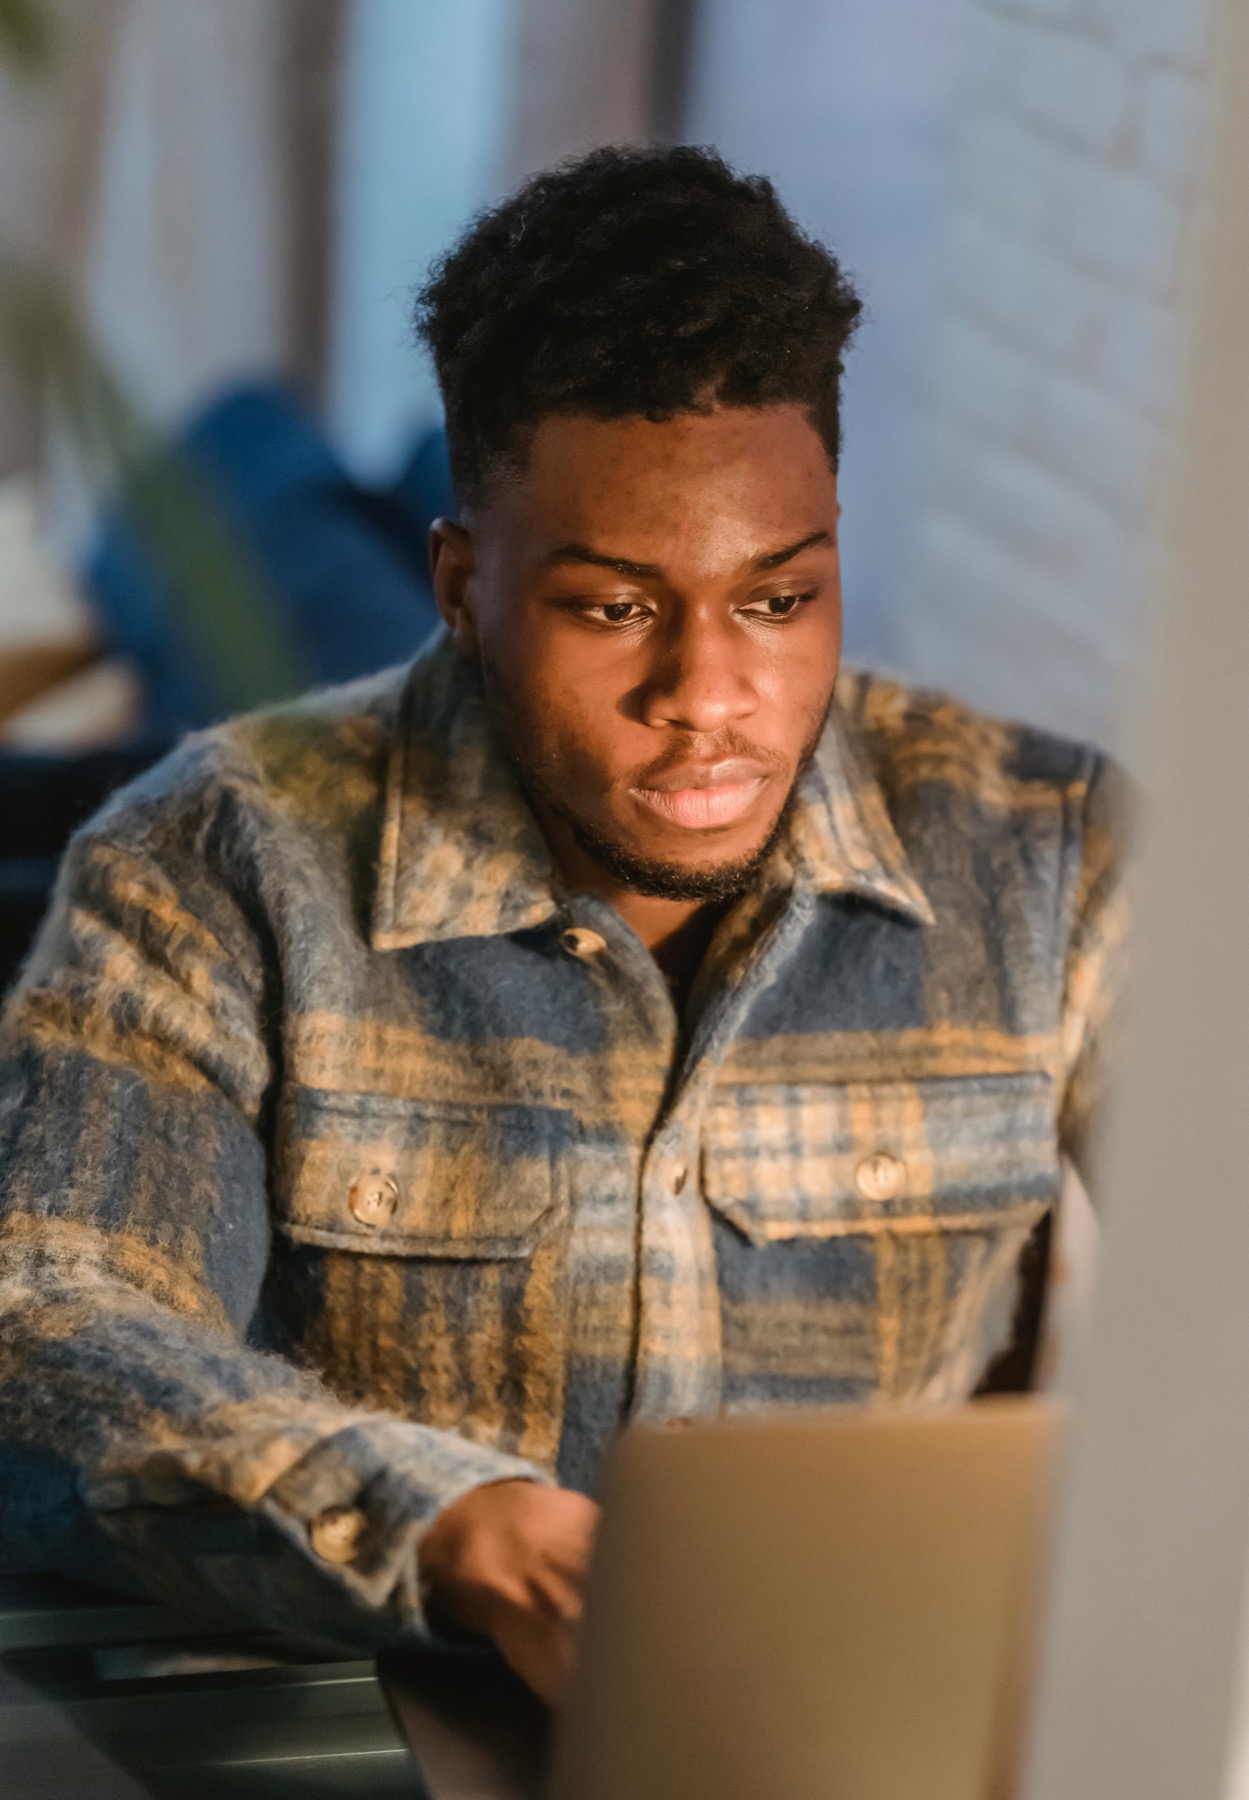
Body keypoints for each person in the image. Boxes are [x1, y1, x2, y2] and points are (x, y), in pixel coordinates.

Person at [0, 146, 1124, 1704]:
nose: (709, 696)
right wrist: (447, 1523)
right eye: (614, 607)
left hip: (813, 1740)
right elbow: (52, 1326)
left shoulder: (1053, 852)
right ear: (462, 589)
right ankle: (254, 445)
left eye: (778, 599)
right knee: (239, 521)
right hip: (401, 1721)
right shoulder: (201, 857)